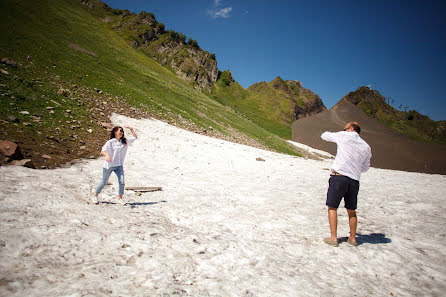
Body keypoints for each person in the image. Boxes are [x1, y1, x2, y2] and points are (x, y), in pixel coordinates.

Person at [321, 121, 371, 247]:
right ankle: (353, 239)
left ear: (351, 129)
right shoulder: (366, 146)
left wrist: (340, 133)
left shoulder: (344, 136)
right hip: (354, 180)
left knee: (332, 207)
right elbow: (365, 167)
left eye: (345, 128)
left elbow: (324, 135)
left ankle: (333, 238)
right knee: (351, 210)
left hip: (339, 177)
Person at [92, 126, 137, 205]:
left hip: (119, 166)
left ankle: (120, 198)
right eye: (120, 131)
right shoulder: (111, 142)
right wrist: (107, 155)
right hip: (109, 165)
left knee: (122, 182)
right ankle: (95, 195)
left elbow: (134, 137)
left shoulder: (125, 141)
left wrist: (131, 129)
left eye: (122, 131)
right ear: (115, 132)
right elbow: (103, 150)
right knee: (104, 182)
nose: (121, 132)